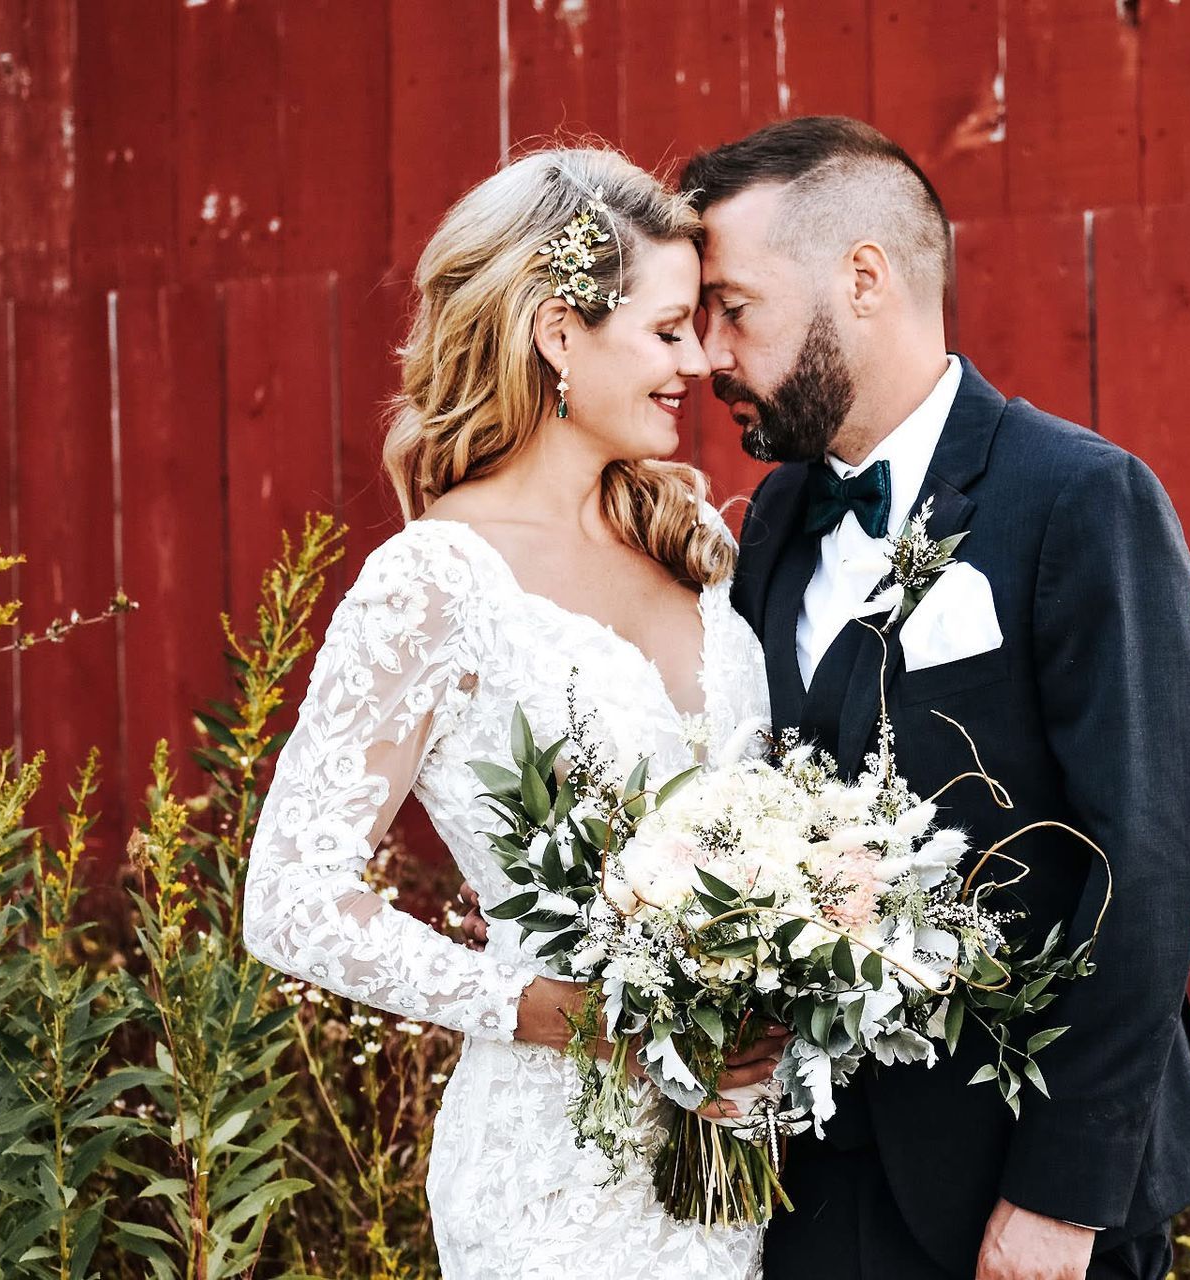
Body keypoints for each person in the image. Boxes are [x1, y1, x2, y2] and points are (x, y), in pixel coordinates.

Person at [684, 116, 1190, 1280]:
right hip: (818, 1180)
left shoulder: (1083, 498)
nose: (709, 354)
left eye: (733, 308)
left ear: (864, 278)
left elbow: (1140, 866)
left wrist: (1060, 1199)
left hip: (1024, 1185)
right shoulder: (770, 524)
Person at [240, 146, 783, 1280]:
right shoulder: (436, 581)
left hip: (743, 1145)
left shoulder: (694, 544)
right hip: (556, 1177)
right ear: (557, 333)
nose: (699, 361)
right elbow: (290, 897)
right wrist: (552, 1008)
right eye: (668, 328)